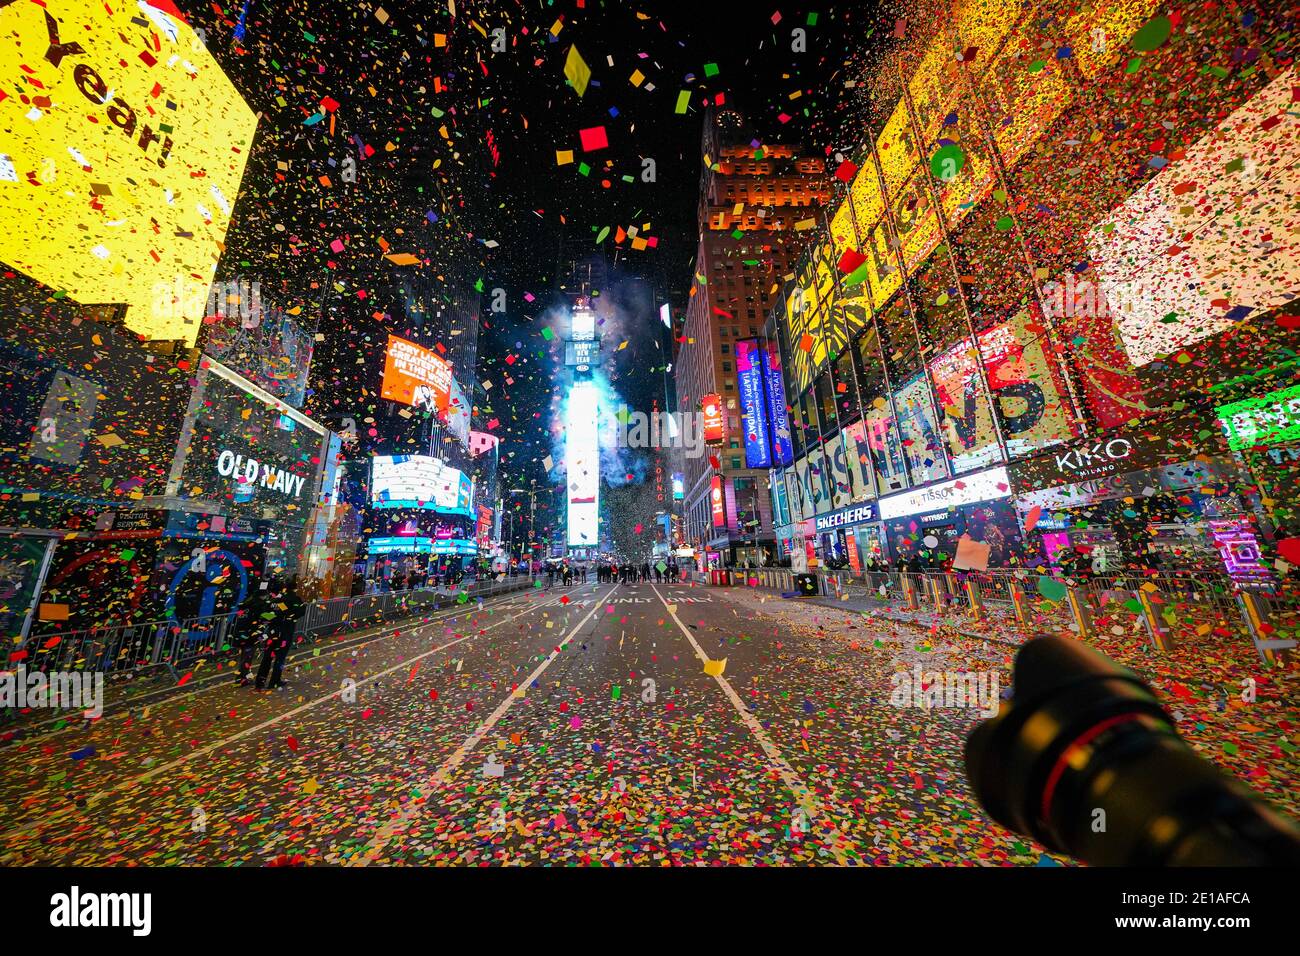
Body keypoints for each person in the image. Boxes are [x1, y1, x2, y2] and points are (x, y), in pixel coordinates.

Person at [256, 577, 304, 690]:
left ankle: (260, 682)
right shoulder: (293, 599)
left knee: (267, 656)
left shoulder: (275, 600)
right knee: (280, 657)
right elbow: (299, 612)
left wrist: (273, 618)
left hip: (272, 632)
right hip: (285, 631)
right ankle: (274, 681)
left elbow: (264, 614)